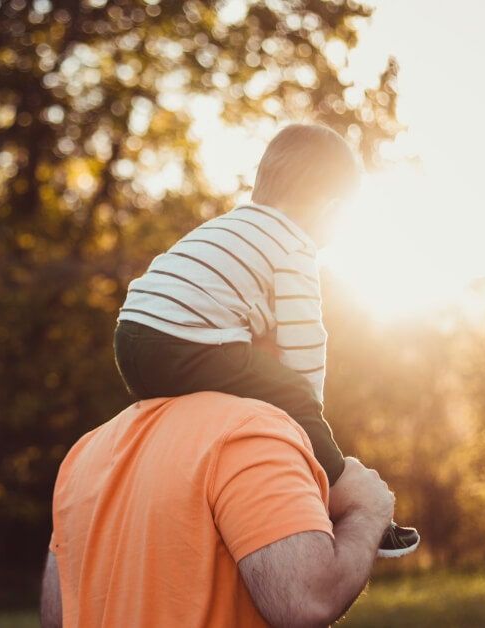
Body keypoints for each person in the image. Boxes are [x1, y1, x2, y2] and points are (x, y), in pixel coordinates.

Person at [112, 123, 418, 556]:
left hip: (132, 337)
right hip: (182, 341)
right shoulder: (294, 244)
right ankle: (346, 501)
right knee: (289, 389)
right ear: (331, 210)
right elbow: (305, 342)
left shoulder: (231, 226)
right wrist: (305, 412)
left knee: (246, 387)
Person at [41, 392, 395, 627]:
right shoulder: (248, 430)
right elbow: (307, 599)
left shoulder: (85, 452)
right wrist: (368, 510)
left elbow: (57, 617)